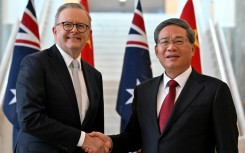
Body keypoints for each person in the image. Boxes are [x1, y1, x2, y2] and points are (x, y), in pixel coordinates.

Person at [88, 18, 239, 153]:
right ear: (156, 50)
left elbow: (227, 146)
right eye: (165, 41)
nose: (171, 47)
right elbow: (134, 138)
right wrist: (110, 142)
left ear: (193, 49)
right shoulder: (143, 91)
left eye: (179, 41)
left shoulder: (215, 90)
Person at [15, 3, 106, 153]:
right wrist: (83, 139)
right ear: (55, 30)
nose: (74, 30)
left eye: (81, 26)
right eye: (67, 24)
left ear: (89, 33)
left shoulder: (95, 76)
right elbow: (30, 119)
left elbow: (95, 131)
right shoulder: (35, 63)